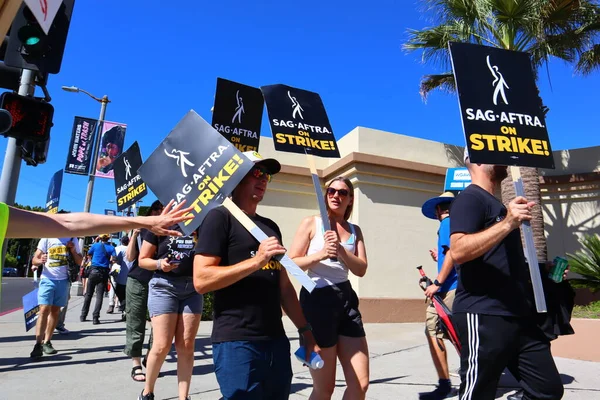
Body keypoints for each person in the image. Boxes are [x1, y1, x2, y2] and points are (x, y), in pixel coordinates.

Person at [194, 151, 319, 400]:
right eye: (256, 173)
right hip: (236, 342)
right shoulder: (219, 218)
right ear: (237, 177)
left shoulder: (270, 227)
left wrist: (305, 330)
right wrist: (257, 260)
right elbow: (201, 280)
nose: (263, 179)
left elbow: (284, 287)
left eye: (267, 176)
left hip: (275, 340)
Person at [448, 148, 563, 400]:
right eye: (494, 151)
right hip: (484, 313)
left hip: (519, 316)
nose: (503, 158)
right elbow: (458, 250)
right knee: (477, 393)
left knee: (548, 389)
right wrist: (509, 222)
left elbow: (502, 259)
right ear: (476, 160)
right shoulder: (470, 199)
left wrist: (544, 270)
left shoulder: (497, 206)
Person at [288, 176, 370, 400]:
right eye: (331, 191)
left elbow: (361, 268)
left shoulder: (355, 230)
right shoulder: (311, 223)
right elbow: (291, 263)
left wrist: (342, 251)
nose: (336, 196)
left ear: (350, 199)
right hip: (317, 300)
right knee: (325, 388)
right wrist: (321, 254)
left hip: (346, 300)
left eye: (342, 192)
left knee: (361, 384)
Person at [137, 206, 204, 400]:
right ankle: (147, 392)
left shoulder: (201, 225)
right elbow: (143, 260)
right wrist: (160, 264)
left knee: (186, 345)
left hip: (193, 288)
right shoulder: (161, 222)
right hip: (164, 286)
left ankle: (184, 397)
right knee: (161, 345)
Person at [419, 191, 459, 400]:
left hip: (449, 288)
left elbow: (452, 253)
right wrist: (439, 256)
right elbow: (451, 253)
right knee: (455, 334)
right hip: (455, 286)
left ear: (437, 211)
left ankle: (445, 383)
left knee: (435, 330)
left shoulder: (446, 225)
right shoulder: (457, 225)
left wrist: (437, 283)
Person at [123, 200, 164, 383]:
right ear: (153, 212)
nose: (162, 214)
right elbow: (130, 257)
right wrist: (134, 234)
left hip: (160, 281)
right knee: (136, 322)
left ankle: (150, 357)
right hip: (138, 279)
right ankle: (136, 363)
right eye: (160, 210)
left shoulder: (169, 230)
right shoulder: (143, 228)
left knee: (159, 325)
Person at [30, 236, 83, 358]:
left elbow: (80, 261)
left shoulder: (72, 239)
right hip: (47, 279)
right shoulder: (46, 239)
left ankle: (47, 342)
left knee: (55, 311)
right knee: (43, 310)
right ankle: (38, 344)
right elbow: (34, 260)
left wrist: (73, 250)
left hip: (63, 281)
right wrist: (40, 260)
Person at [80, 233, 117, 325]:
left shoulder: (95, 245)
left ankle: (83, 315)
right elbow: (114, 259)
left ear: (100, 238)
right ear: (108, 239)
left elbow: (89, 254)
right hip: (103, 273)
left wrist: (96, 241)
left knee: (88, 294)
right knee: (99, 296)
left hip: (93, 271)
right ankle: (95, 318)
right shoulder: (111, 248)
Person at [107, 235, 131, 319]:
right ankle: (123, 308)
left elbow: (115, 260)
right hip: (127, 273)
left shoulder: (117, 248)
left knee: (113, 288)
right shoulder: (130, 249)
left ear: (121, 241)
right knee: (125, 293)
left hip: (116, 270)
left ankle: (111, 304)